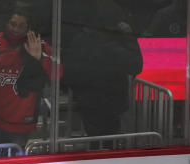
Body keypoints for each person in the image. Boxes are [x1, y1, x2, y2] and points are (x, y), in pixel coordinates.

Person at [0, 9, 58, 149]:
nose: (15, 29)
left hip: (22, 123)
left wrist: (40, 59)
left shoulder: (39, 46)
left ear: (29, 28)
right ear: (6, 23)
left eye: (21, 26)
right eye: (13, 24)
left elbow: (58, 74)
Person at [61, 3, 142, 137]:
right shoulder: (112, 47)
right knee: (108, 142)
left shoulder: (80, 41)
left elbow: (68, 73)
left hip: (88, 102)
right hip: (111, 102)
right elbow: (136, 65)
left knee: (96, 141)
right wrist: (129, 37)